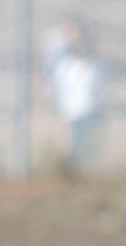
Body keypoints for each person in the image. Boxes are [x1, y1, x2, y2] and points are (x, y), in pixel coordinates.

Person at [44, 21, 106, 173]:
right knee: (69, 146)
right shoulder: (67, 65)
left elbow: (100, 89)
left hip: (90, 112)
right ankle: (67, 172)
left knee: (88, 146)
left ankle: (87, 171)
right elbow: (58, 88)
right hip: (70, 113)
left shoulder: (95, 66)